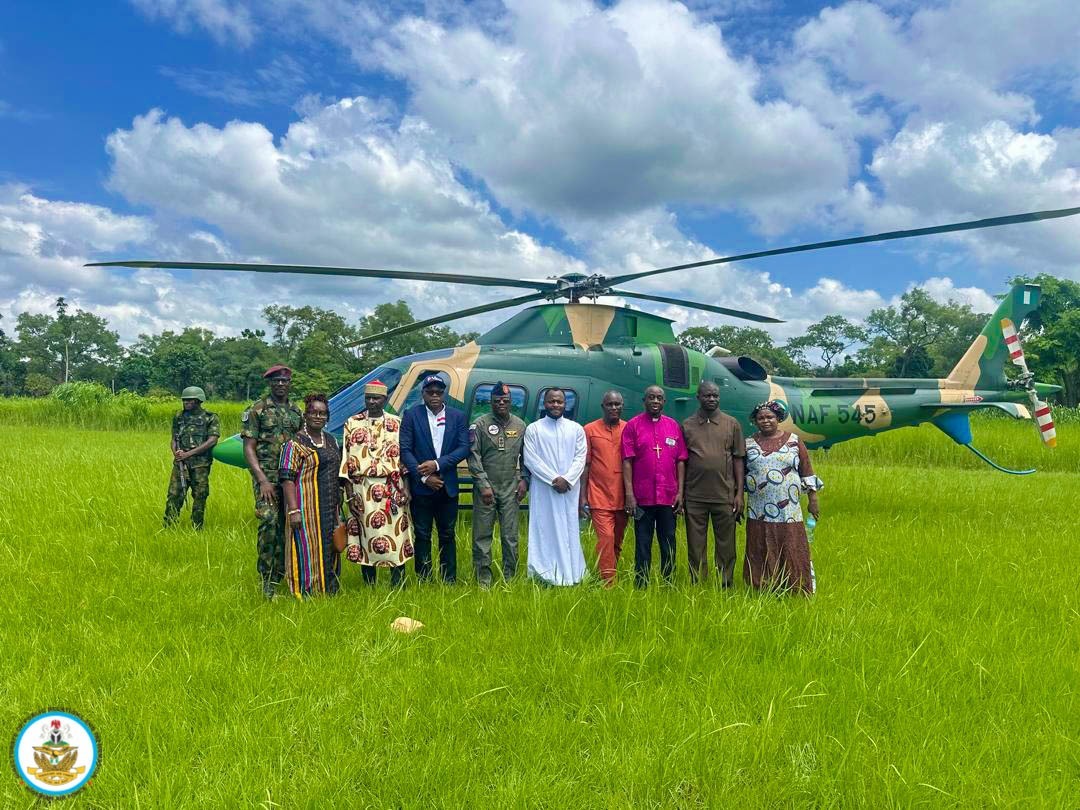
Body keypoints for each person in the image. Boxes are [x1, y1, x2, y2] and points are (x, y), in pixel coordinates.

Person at [743, 400, 823, 594]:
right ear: (755, 421)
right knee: (759, 544)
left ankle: (796, 585)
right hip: (758, 509)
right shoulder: (748, 443)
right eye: (761, 418)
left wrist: (813, 499)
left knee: (791, 543)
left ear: (778, 418)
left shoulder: (794, 441)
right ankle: (762, 586)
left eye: (770, 417)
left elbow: (806, 471)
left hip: (789, 510)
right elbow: (739, 474)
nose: (765, 421)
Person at [340, 380, 413, 587]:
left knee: (396, 535)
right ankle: (369, 585)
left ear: (385, 399)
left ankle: (398, 584)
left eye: (376, 398)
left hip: (392, 488)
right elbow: (345, 460)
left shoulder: (397, 423)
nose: (372, 402)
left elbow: (405, 458)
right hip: (362, 489)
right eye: (368, 398)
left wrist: (407, 488)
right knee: (365, 535)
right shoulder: (352, 423)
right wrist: (350, 496)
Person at [400, 375, 470, 583]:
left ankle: (449, 579)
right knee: (422, 535)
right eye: (430, 392)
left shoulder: (458, 417)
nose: (434, 396)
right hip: (421, 487)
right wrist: (424, 476)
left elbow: (464, 448)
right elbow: (405, 450)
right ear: (423, 394)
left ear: (444, 393)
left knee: (447, 534)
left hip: (447, 486)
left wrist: (437, 464)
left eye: (438, 392)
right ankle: (424, 579)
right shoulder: (412, 415)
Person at [242, 365, 303, 599]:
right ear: (270, 383)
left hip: (291, 480)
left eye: (284, 381)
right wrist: (262, 480)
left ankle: (285, 573)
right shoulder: (257, 410)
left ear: (289, 384)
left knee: (288, 526)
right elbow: (249, 448)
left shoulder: (296, 412)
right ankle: (266, 579)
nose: (280, 384)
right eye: (276, 381)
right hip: (266, 478)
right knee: (269, 523)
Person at [681, 381, 745, 587]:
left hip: (724, 495)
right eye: (707, 395)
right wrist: (681, 494)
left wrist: (739, 494)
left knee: (726, 544)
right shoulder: (687, 425)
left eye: (715, 396)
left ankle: (725, 583)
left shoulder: (732, 424)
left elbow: (738, 459)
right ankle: (697, 583)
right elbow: (681, 461)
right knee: (695, 545)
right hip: (694, 496)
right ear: (698, 397)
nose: (712, 399)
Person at [622, 385, 687, 588]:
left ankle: (668, 583)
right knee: (643, 541)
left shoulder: (673, 426)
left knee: (668, 540)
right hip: (642, 496)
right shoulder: (632, 426)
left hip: (668, 496)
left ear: (664, 402)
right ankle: (641, 583)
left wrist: (680, 492)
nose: (655, 401)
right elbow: (627, 461)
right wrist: (629, 494)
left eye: (659, 398)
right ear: (644, 400)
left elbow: (681, 460)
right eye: (651, 397)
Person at [279, 393, 343, 597]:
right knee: (306, 547)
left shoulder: (331, 440)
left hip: (329, 504)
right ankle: (305, 592)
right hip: (305, 506)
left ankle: (328, 590)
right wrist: (293, 510)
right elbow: (287, 478)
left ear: (328, 417)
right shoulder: (294, 443)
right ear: (305, 415)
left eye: (322, 413)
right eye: (313, 412)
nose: (318, 416)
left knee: (329, 546)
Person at [523, 388, 588, 585]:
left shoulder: (576, 429)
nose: (555, 405)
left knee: (568, 528)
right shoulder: (534, 429)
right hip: (544, 489)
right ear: (545, 403)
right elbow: (531, 459)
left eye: (559, 401)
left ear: (565, 404)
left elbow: (580, 458)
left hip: (569, 489)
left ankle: (572, 573)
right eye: (551, 401)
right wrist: (553, 479)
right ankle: (544, 573)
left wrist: (567, 479)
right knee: (544, 528)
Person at [467, 382, 529, 587]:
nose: (501, 403)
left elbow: (527, 457)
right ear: (491, 402)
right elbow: (473, 456)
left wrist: (524, 480)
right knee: (482, 535)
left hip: (511, 487)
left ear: (511, 402)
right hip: (486, 487)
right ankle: (483, 579)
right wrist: (483, 485)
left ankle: (510, 577)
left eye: (505, 400)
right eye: (497, 400)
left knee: (510, 535)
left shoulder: (520, 425)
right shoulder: (479, 425)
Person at [580, 390, 628, 586]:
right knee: (606, 538)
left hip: (624, 496)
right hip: (599, 494)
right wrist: (583, 496)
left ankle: (610, 572)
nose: (613, 408)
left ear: (622, 406)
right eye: (610, 404)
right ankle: (608, 583)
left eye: (617, 404)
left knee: (617, 540)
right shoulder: (589, 430)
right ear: (603, 407)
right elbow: (586, 465)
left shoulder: (629, 428)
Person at [164, 386, 219, 530]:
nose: (186, 403)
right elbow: (174, 438)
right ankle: (169, 527)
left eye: (190, 400)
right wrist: (176, 453)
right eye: (184, 400)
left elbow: (212, 440)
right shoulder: (179, 417)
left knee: (200, 495)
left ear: (199, 400)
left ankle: (197, 527)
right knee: (174, 494)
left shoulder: (210, 417)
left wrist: (189, 454)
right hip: (181, 464)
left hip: (200, 465)